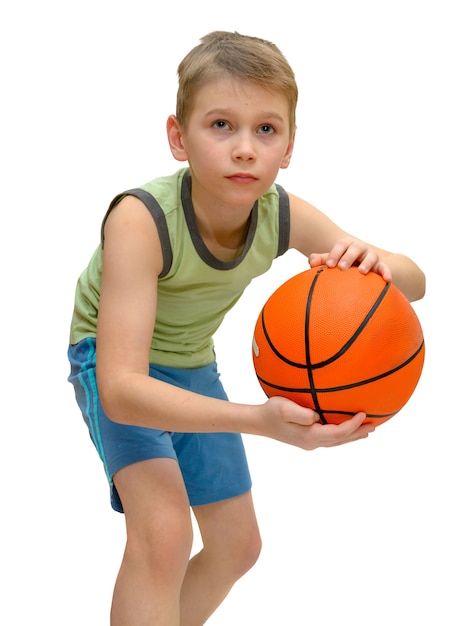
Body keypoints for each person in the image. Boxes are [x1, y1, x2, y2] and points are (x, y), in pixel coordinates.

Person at [67, 30, 425, 626]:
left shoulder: (278, 212)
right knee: (163, 535)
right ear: (178, 139)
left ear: (288, 147)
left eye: (266, 129)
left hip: (188, 362)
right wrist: (259, 422)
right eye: (221, 125)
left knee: (237, 546)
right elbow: (123, 390)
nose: (245, 150)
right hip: (112, 360)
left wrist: (378, 263)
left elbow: (415, 282)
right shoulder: (140, 219)